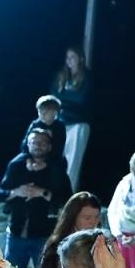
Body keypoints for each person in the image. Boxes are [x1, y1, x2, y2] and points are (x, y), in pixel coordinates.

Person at [0, 128, 72, 268]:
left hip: (44, 236)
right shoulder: (16, 165)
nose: (38, 145)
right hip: (16, 234)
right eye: (34, 142)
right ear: (28, 144)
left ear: (50, 146)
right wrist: (16, 192)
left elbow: (67, 200)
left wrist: (43, 193)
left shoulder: (57, 170)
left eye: (42, 143)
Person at [54, 47, 91, 189]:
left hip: (78, 124)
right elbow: (53, 96)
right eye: (67, 57)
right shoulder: (61, 76)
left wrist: (64, 99)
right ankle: (55, 193)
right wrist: (65, 99)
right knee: (57, 159)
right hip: (61, 122)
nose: (69, 60)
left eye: (73, 57)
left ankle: (69, 196)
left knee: (72, 162)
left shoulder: (87, 78)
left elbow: (81, 99)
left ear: (80, 58)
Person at [25, 95, 65, 165]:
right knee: (15, 163)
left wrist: (45, 162)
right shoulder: (35, 124)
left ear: (54, 113)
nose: (42, 115)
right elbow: (25, 143)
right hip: (33, 155)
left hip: (51, 157)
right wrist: (28, 160)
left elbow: (59, 148)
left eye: (45, 113)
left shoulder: (60, 126)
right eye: (40, 112)